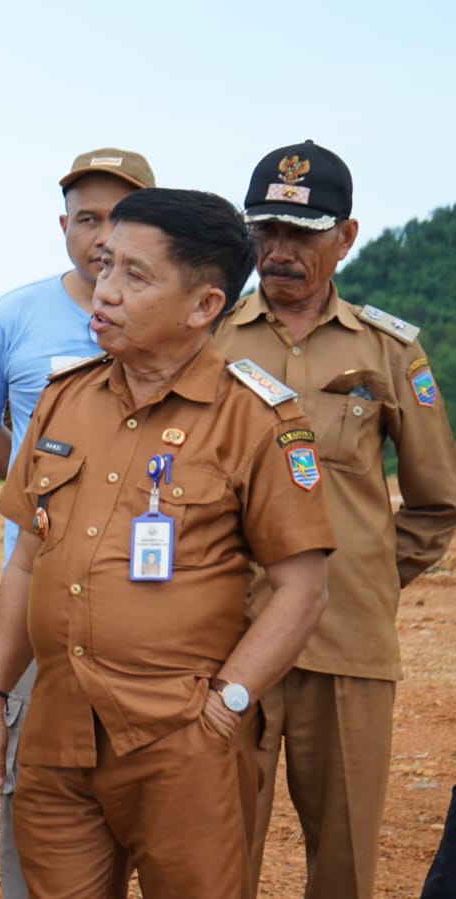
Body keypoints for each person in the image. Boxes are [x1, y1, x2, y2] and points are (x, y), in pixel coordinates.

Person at [0, 188, 336, 898]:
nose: (103, 292)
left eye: (135, 276)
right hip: (56, 735)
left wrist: (224, 708)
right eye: (104, 267)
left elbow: (301, 586)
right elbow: (25, 560)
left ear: (202, 306)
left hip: (180, 742)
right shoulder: (62, 398)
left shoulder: (255, 418)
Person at [214, 140, 456, 899]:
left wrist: (367, 577)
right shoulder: (206, 339)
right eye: (266, 231)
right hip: (226, 639)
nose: (278, 252)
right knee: (216, 853)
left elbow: (436, 498)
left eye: (302, 234)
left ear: (344, 237)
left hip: (347, 644)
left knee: (344, 859)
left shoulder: (389, 353)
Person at [0, 147, 153, 897]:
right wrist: (39, 491)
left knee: (159, 798)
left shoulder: (196, 319)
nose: (101, 237)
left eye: (120, 219)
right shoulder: (12, 315)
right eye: (86, 218)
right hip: (42, 592)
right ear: (61, 225)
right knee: (41, 784)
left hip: (153, 603)